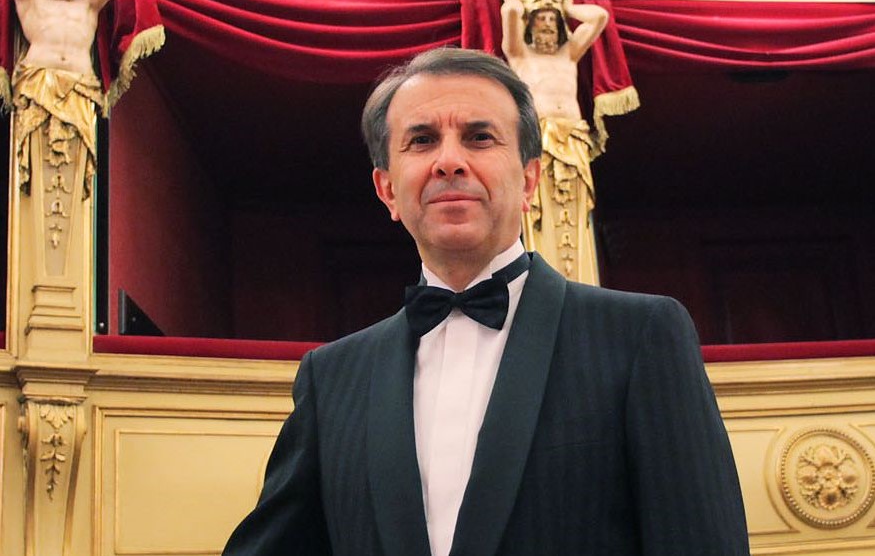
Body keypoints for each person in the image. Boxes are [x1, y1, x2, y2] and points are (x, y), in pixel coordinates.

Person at [222, 48, 749, 556]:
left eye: (479, 137)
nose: (450, 161)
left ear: (529, 179)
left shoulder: (642, 336)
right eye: (422, 140)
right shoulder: (330, 377)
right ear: (387, 191)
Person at [7, 0, 129, 198]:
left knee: (74, 172)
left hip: (80, 89)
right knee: (39, 172)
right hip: (39, 85)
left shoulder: (89, 4)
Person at [502, 0, 608, 284]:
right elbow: (511, 13)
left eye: (552, 19)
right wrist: (516, 1)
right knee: (544, 208)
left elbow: (600, 17)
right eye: (541, 19)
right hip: (543, 136)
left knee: (578, 210)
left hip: (573, 136)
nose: (547, 25)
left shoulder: (569, 53)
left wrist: (568, 8)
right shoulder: (520, 55)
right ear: (530, 24)